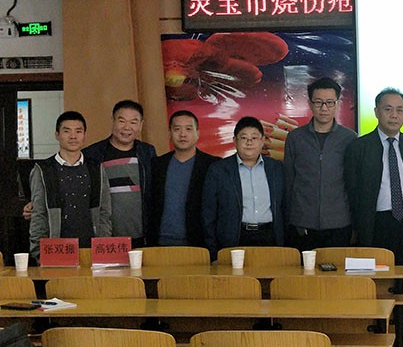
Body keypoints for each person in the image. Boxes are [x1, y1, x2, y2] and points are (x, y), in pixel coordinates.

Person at [344, 87, 403, 347]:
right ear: (376, 112)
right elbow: (352, 193)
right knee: (376, 296)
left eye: (399, 109)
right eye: (388, 109)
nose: (394, 115)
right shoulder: (359, 147)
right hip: (374, 229)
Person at [284, 77, 357, 252]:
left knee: (335, 271)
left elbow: (354, 184)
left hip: (339, 225)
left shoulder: (350, 138)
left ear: (337, 104)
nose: (324, 108)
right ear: (310, 104)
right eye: (318, 102)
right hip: (302, 226)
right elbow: (289, 181)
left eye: (330, 103)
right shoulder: (295, 138)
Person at [29, 111, 111, 262]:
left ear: (84, 135)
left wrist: (103, 245)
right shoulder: (43, 170)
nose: (73, 136)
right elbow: (38, 214)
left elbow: (104, 212)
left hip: (91, 250)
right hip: (56, 250)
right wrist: (39, 253)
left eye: (78, 131)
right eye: (67, 131)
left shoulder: (96, 168)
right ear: (57, 135)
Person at [202, 116, 284, 259]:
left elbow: (285, 206)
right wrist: (213, 253)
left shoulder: (276, 168)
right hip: (234, 238)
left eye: (254, 138)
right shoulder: (219, 170)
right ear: (235, 141)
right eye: (244, 138)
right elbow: (208, 214)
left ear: (262, 141)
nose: (249, 142)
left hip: (270, 236)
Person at [83, 100, 156, 247]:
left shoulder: (147, 153)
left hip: (142, 239)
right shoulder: (92, 154)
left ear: (141, 125)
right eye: (122, 121)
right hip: (105, 240)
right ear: (113, 121)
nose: (127, 127)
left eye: (133, 122)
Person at [148, 110, 219, 247]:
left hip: (199, 244)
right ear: (169, 134)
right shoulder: (157, 164)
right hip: (160, 243)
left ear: (197, 133)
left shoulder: (213, 165)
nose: (183, 134)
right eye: (177, 129)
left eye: (188, 129)